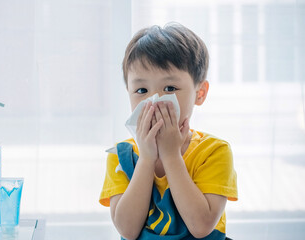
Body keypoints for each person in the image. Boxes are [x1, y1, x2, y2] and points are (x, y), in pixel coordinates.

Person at [99, 22, 238, 240]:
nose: (153, 101)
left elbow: (201, 226)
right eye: (141, 90)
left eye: (170, 88)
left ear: (199, 93)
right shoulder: (121, 156)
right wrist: (146, 159)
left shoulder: (214, 152)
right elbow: (127, 230)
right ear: (128, 93)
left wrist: (171, 156)